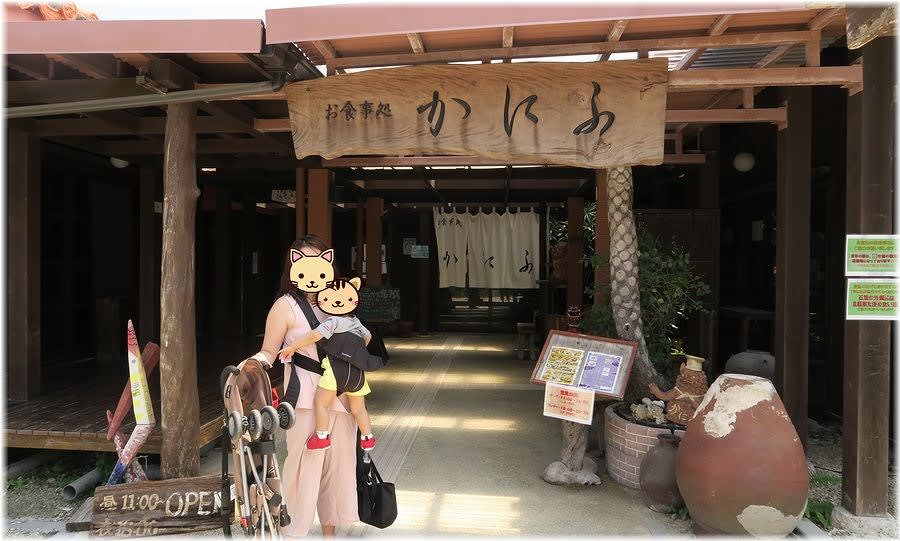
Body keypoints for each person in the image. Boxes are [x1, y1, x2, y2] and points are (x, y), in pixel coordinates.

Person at [247, 235, 358, 537]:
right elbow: (269, 351)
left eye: (318, 261)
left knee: (339, 465)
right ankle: (294, 530)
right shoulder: (285, 306)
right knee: (303, 465)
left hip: (342, 394)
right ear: (294, 267)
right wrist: (252, 364)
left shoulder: (341, 299)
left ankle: (331, 530)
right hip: (305, 396)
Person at [277, 277, 378, 452]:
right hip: (357, 373)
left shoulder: (333, 322)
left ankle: (322, 437)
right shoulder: (356, 321)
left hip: (334, 372)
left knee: (321, 403)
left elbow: (314, 336)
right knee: (359, 408)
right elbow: (367, 337)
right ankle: (368, 438)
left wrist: (292, 346)